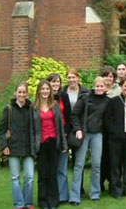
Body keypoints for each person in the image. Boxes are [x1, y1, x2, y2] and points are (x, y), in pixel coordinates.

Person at [69, 77, 109, 205]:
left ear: (105, 87)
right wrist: (78, 129)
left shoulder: (107, 101)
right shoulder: (85, 98)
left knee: (96, 164)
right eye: (97, 86)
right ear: (94, 86)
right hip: (84, 134)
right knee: (79, 164)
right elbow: (74, 114)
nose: (99, 88)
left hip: (98, 134)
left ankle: (95, 193)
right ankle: (75, 196)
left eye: (102, 86)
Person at [0, 82, 36, 209]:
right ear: (15, 93)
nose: (21, 94)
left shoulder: (31, 108)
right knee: (15, 177)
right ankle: (19, 204)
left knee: (30, 177)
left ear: (27, 93)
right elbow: (2, 130)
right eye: (19, 92)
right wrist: (4, 146)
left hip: (28, 147)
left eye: (24, 92)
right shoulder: (8, 109)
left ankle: (28, 202)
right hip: (13, 147)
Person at [32, 80, 67, 209]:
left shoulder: (55, 106)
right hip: (40, 143)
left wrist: (64, 144)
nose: (45, 91)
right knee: (43, 174)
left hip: (54, 142)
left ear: (50, 91)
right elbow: (32, 129)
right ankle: (43, 201)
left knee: (53, 174)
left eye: (47, 89)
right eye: (43, 89)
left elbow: (60, 127)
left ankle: (53, 201)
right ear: (39, 91)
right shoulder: (34, 107)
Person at [61, 68, 88, 197]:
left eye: (74, 77)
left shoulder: (85, 92)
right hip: (66, 128)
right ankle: (64, 189)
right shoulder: (62, 92)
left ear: (78, 78)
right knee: (63, 160)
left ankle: (79, 188)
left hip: (79, 129)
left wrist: (81, 128)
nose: (71, 80)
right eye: (69, 77)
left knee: (79, 160)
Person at [46, 73, 71, 204]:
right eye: (53, 82)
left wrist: (65, 133)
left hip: (63, 136)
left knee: (62, 167)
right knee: (52, 168)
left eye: (58, 82)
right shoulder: (44, 97)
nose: (56, 84)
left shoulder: (64, 96)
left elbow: (68, 115)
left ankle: (63, 196)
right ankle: (52, 195)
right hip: (49, 136)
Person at [99, 66, 121, 193]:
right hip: (100, 130)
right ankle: (100, 183)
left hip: (113, 130)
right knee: (101, 158)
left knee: (113, 158)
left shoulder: (118, 91)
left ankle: (114, 183)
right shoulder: (98, 89)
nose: (108, 78)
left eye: (111, 76)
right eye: (106, 76)